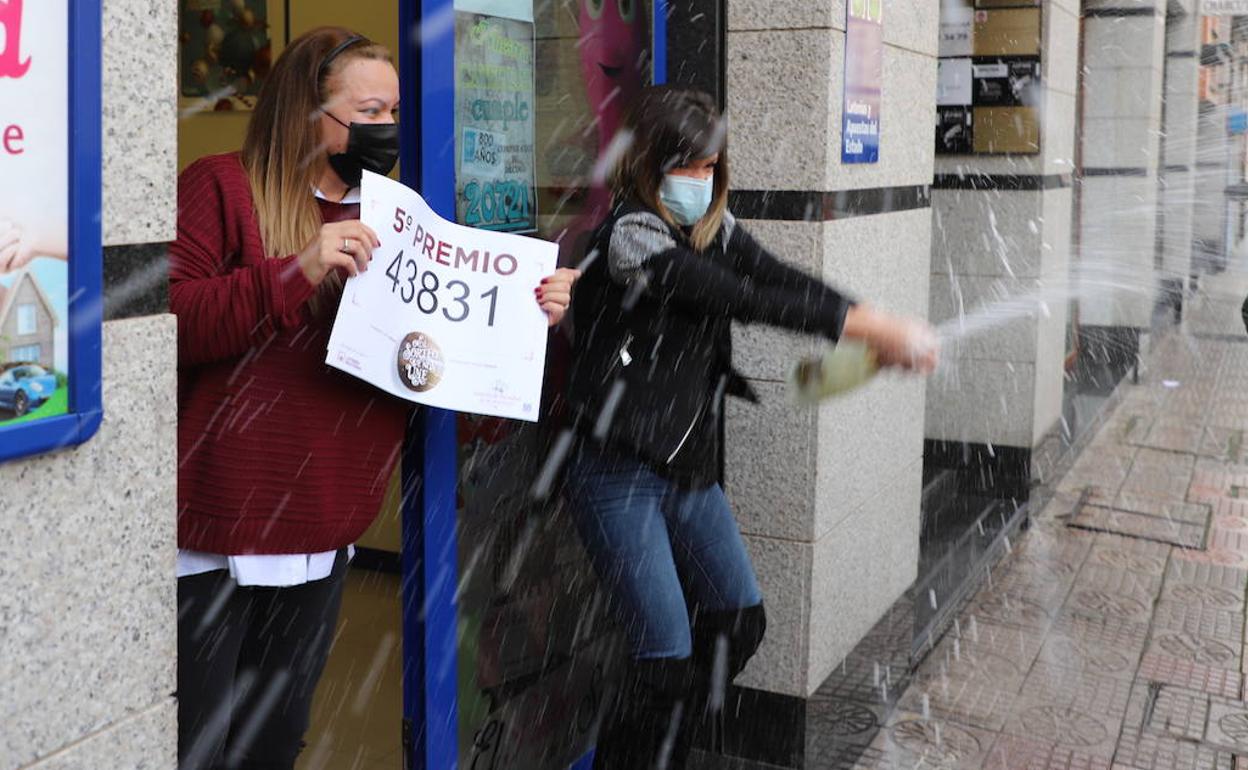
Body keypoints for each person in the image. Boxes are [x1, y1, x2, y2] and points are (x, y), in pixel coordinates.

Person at [169, 28, 578, 769]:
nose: (386, 127)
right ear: (305, 113)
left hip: (324, 529)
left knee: (271, 742)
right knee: (195, 746)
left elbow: (450, 389)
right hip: (215, 533)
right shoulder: (221, 187)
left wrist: (531, 326)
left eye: (393, 110)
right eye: (368, 109)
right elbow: (174, 327)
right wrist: (297, 271)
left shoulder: (401, 219)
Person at [564, 85, 939, 769]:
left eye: (711, 168)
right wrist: (863, 328)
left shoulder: (713, 227)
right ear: (647, 166)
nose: (700, 184)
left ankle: (661, 748)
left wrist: (866, 322)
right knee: (662, 658)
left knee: (740, 623)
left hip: (683, 465)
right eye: (686, 168)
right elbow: (734, 296)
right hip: (616, 471)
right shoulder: (632, 237)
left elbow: (780, 278)